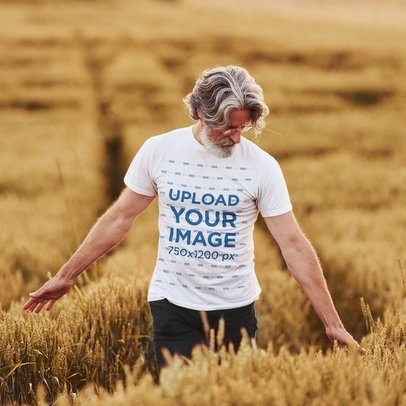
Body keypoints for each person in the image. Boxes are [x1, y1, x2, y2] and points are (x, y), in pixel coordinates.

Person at [24, 65, 363, 371]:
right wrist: (67, 276)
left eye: (242, 128)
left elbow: (293, 244)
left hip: (236, 308)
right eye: (225, 127)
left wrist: (332, 323)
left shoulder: (262, 167)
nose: (233, 136)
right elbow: (119, 218)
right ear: (199, 112)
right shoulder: (160, 150)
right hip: (172, 304)